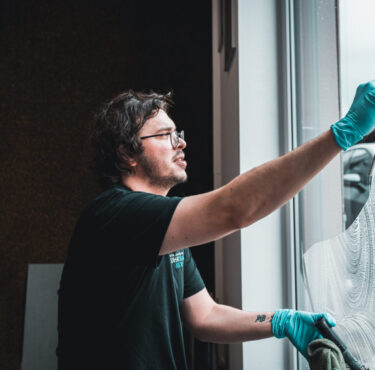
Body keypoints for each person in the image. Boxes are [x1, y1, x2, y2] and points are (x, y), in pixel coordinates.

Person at [57, 81, 375, 370]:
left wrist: (281, 321)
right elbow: (233, 210)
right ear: (128, 153)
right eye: (165, 135)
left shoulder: (162, 232)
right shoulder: (113, 215)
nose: (180, 143)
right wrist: (342, 134)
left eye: (178, 134)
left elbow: (204, 316)